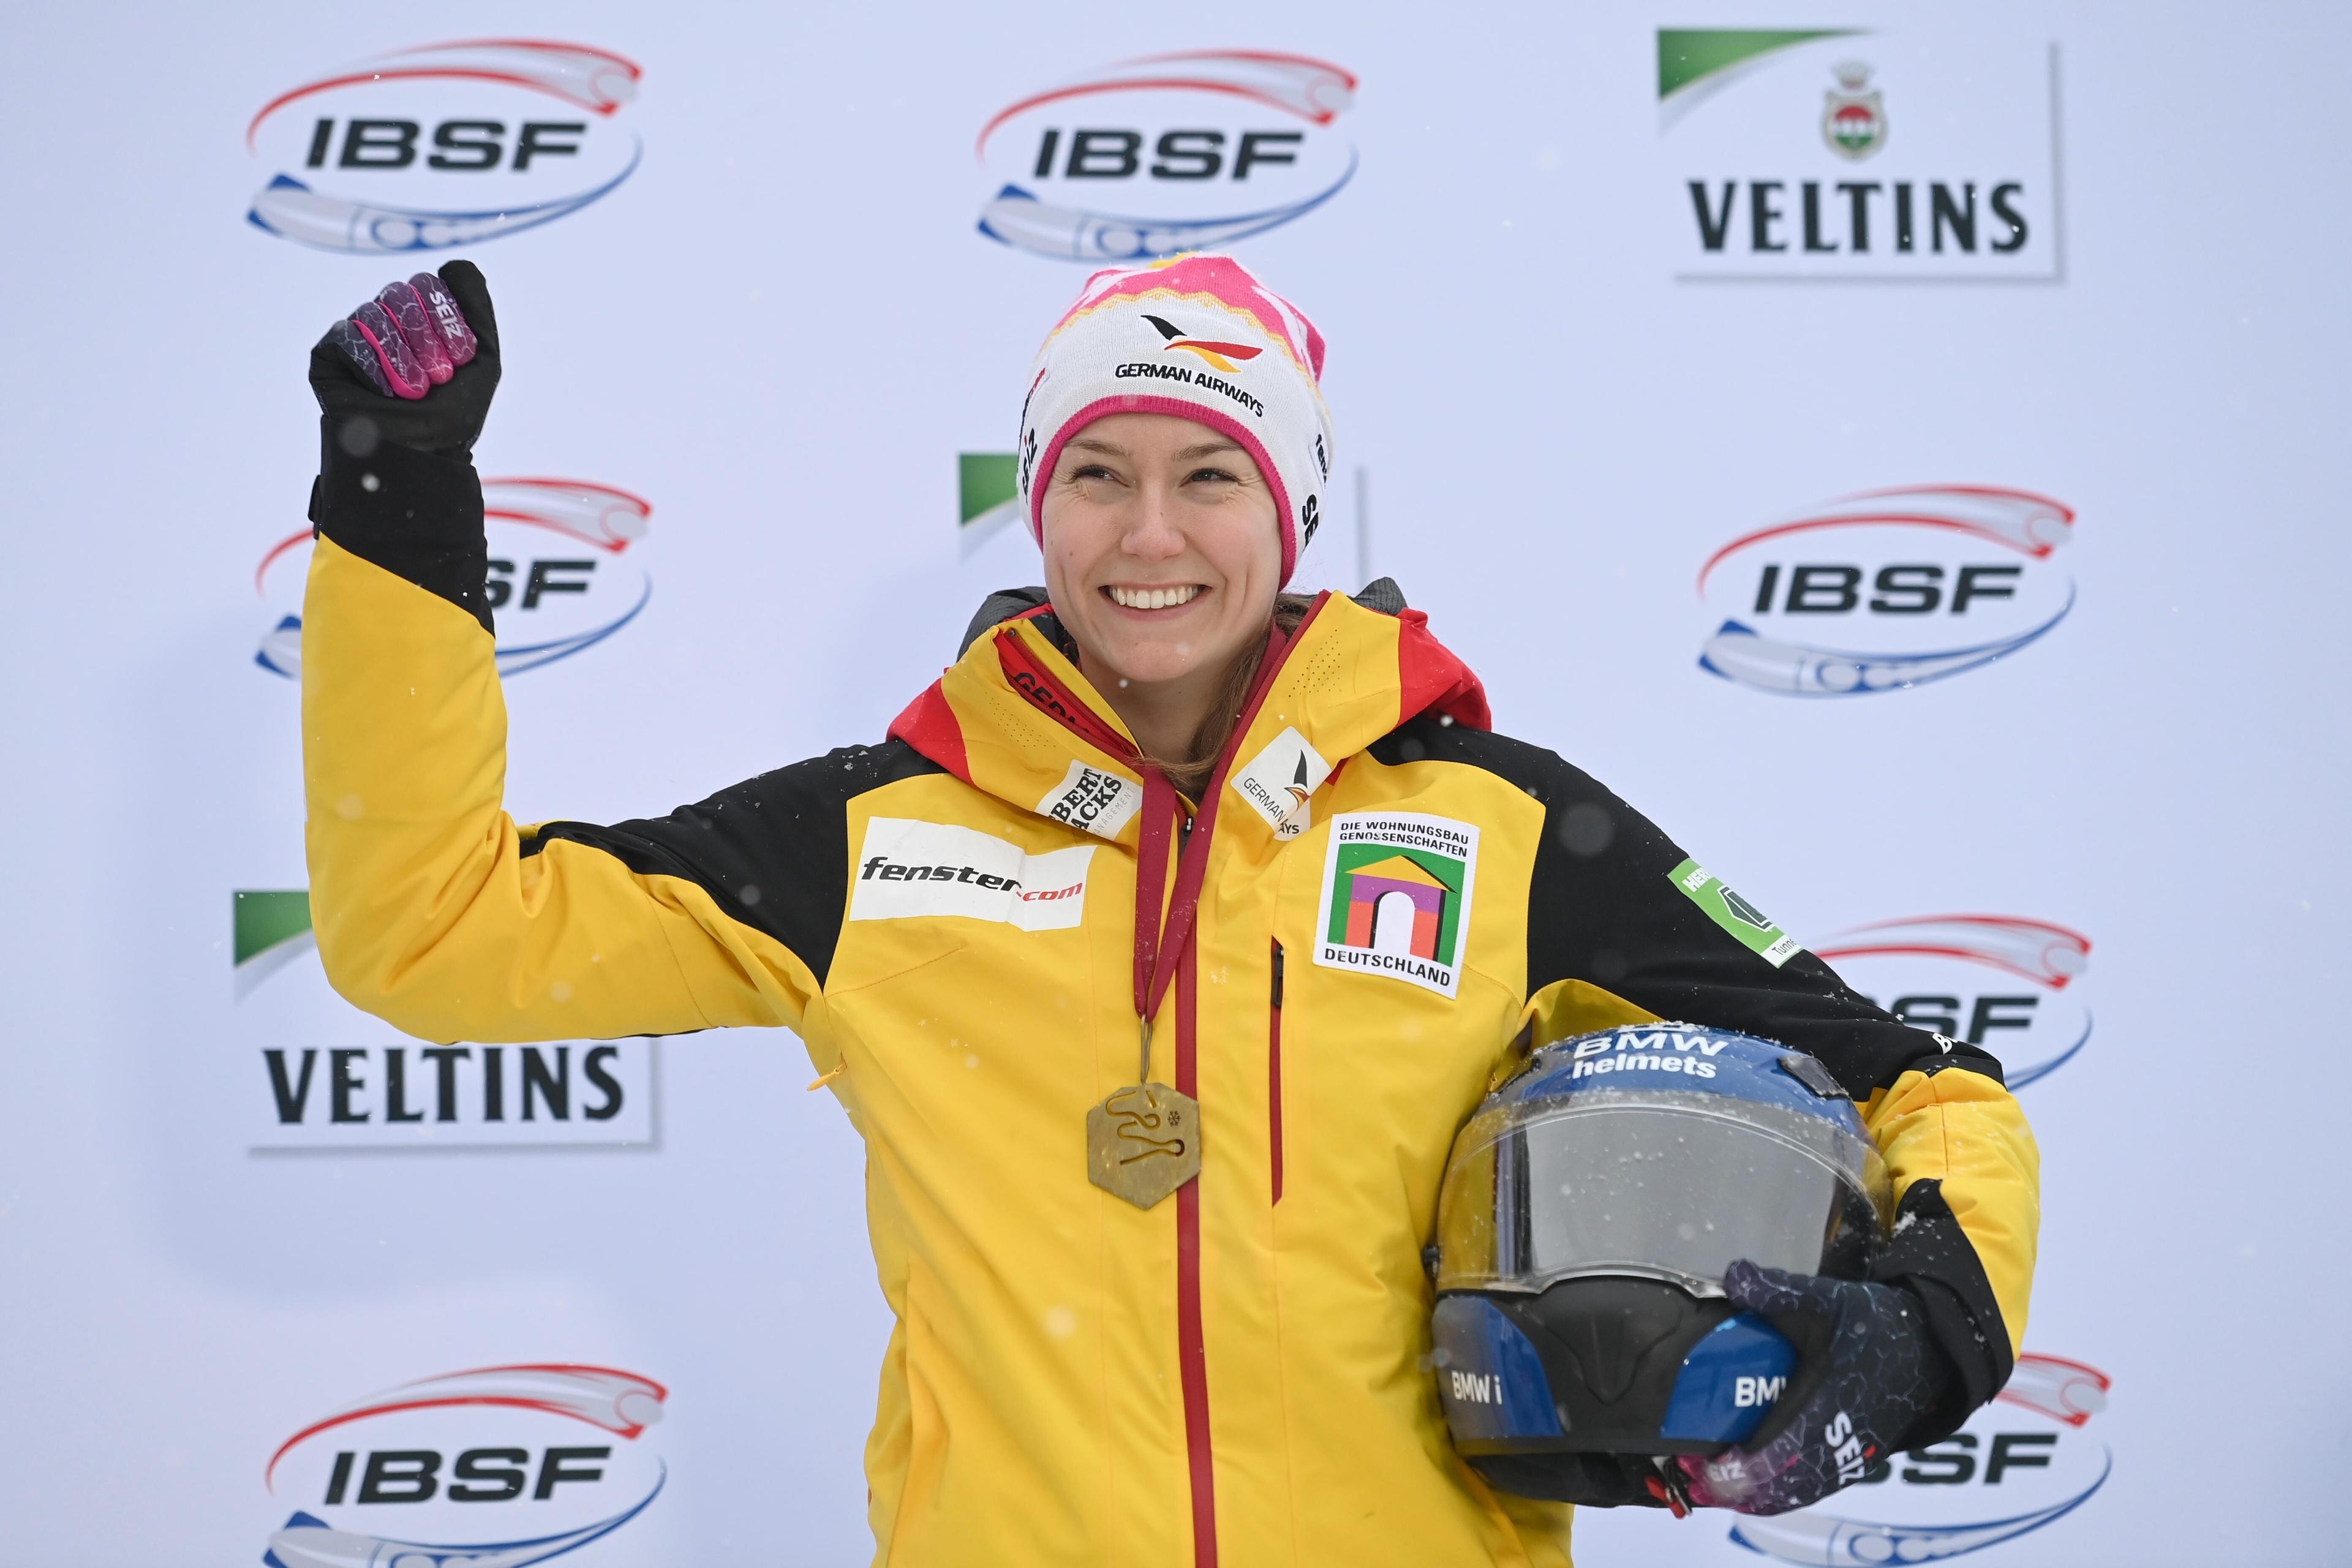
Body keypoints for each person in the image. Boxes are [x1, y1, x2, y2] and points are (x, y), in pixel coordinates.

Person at [301, 253, 2038, 1565]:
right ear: (1038, 499)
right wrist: (398, 504)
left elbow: (1914, 1083)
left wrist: (1936, 1320)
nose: (1151, 534)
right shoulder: (868, 840)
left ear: (1288, 512)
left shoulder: (1496, 828)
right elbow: (435, 933)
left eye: (1209, 475)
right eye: (1096, 472)